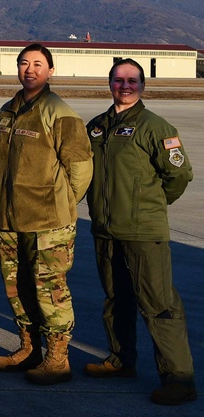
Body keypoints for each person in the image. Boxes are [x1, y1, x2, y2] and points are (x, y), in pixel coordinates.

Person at [84, 59, 196, 406]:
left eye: (133, 80)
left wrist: (150, 205)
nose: (125, 86)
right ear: (110, 84)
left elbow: (179, 175)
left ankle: (179, 378)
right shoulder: (97, 127)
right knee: (117, 299)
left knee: (160, 305)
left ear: (143, 85)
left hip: (143, 232)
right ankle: (121, 359)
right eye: (119, 80)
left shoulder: (155, 127)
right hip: (105, 229)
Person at [0, 43, 92, 385]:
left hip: (48, 224)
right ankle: (29, 349)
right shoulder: (6, 111)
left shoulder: (59, 112)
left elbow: (80, 168)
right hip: (7, 219)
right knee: (17, 290)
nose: (29, 69)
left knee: (51, 292)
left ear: (50, 70)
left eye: (37, 64)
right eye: (23, 63)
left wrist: (60, 203)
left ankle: (57, 358)